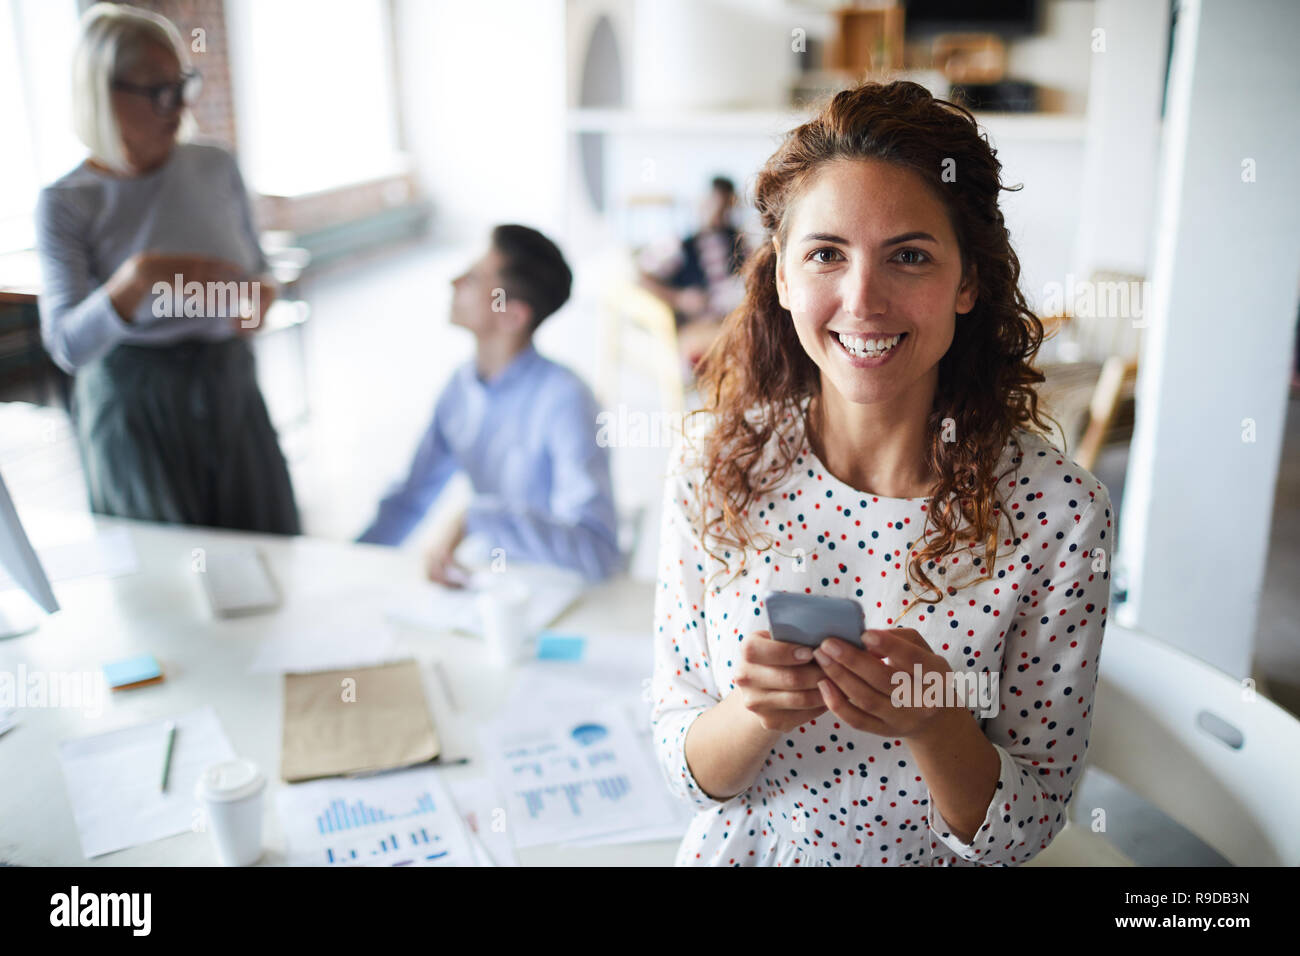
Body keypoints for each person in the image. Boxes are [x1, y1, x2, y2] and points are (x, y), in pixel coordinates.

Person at [650, 80, 1114, 867]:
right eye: (827, 253)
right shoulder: (712, 465)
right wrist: (752, 711)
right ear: (784, 277)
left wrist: (936, 721)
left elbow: (1032, 824)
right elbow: (683, 768)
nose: (863, 300)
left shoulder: (1059, 514)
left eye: (909, 256)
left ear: (968, 282)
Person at [35, 3, 299, 534]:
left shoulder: (214, 165)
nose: (178, 105)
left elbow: (260, 270)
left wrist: (261, 296)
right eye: (158, 91)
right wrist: (134, 282)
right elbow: (67, 347)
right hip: (135, 407)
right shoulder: (67, 201)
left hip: (229, 387)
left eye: (183, 84)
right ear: (102, 94)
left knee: (267, 551)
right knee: (171, 581)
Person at [357, 224, 621, 585]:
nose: (454, 282)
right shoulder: (459, 388)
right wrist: (349, 561)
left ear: (512, 316)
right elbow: (410, 499)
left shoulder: (566, 401)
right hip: (494, 586)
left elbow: (598, 552)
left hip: (557, 593)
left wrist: (476, 518)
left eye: (475, 279)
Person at [638, 176, 748, 367]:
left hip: (735, 319)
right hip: (700, 326)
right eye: (715, 204)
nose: (720, 213)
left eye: (726, 207)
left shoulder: (740, 242)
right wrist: (678, 298)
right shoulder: (679, 245)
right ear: (704, 202)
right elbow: (641, 277)